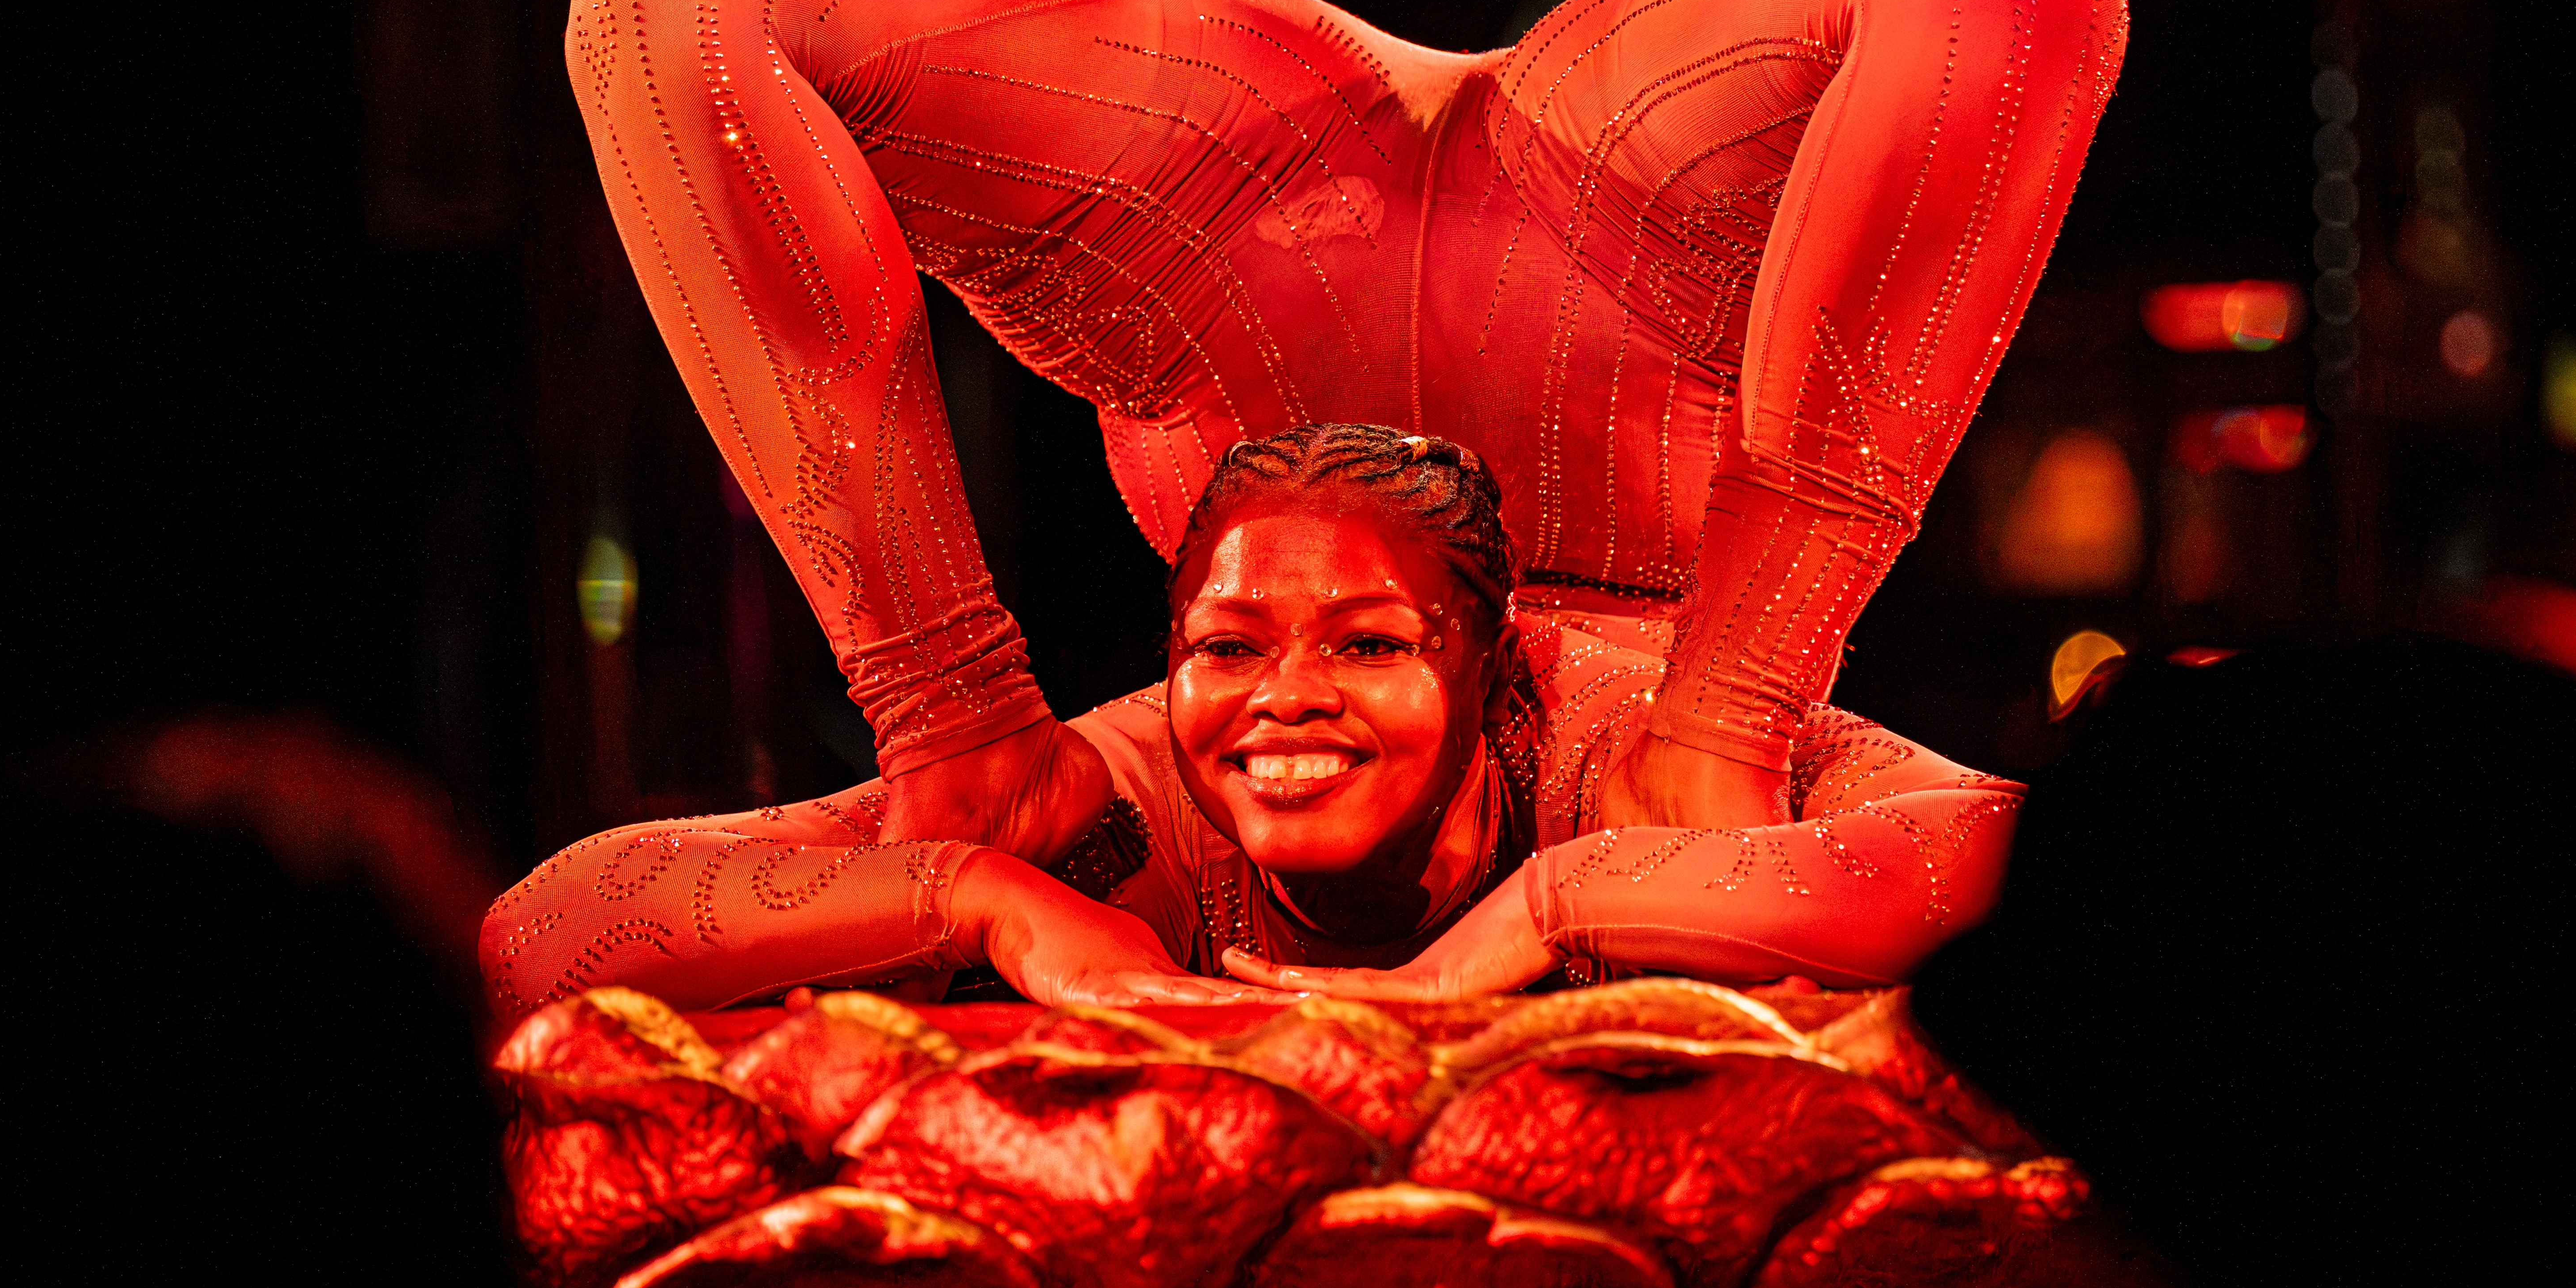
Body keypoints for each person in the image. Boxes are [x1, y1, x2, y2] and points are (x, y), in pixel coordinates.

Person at [558, 0, 2124, 880]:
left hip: (1259, 279)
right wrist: (1727, 721)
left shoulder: (1159, 830)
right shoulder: (1728, 817)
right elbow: (2105, 899)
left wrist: (955, 771)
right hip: (1614, 295)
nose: (1299, 710)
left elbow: (565, 923)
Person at [481, 424, 2019, 1014]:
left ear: (1497, 670)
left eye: (1369, 644)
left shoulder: (1620, 750)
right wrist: (982, 898)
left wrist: (1555, 906)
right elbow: (547, 929)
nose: (1284, 696)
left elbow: (2030, 865)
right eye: (1229, 647)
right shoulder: (1125, 808)